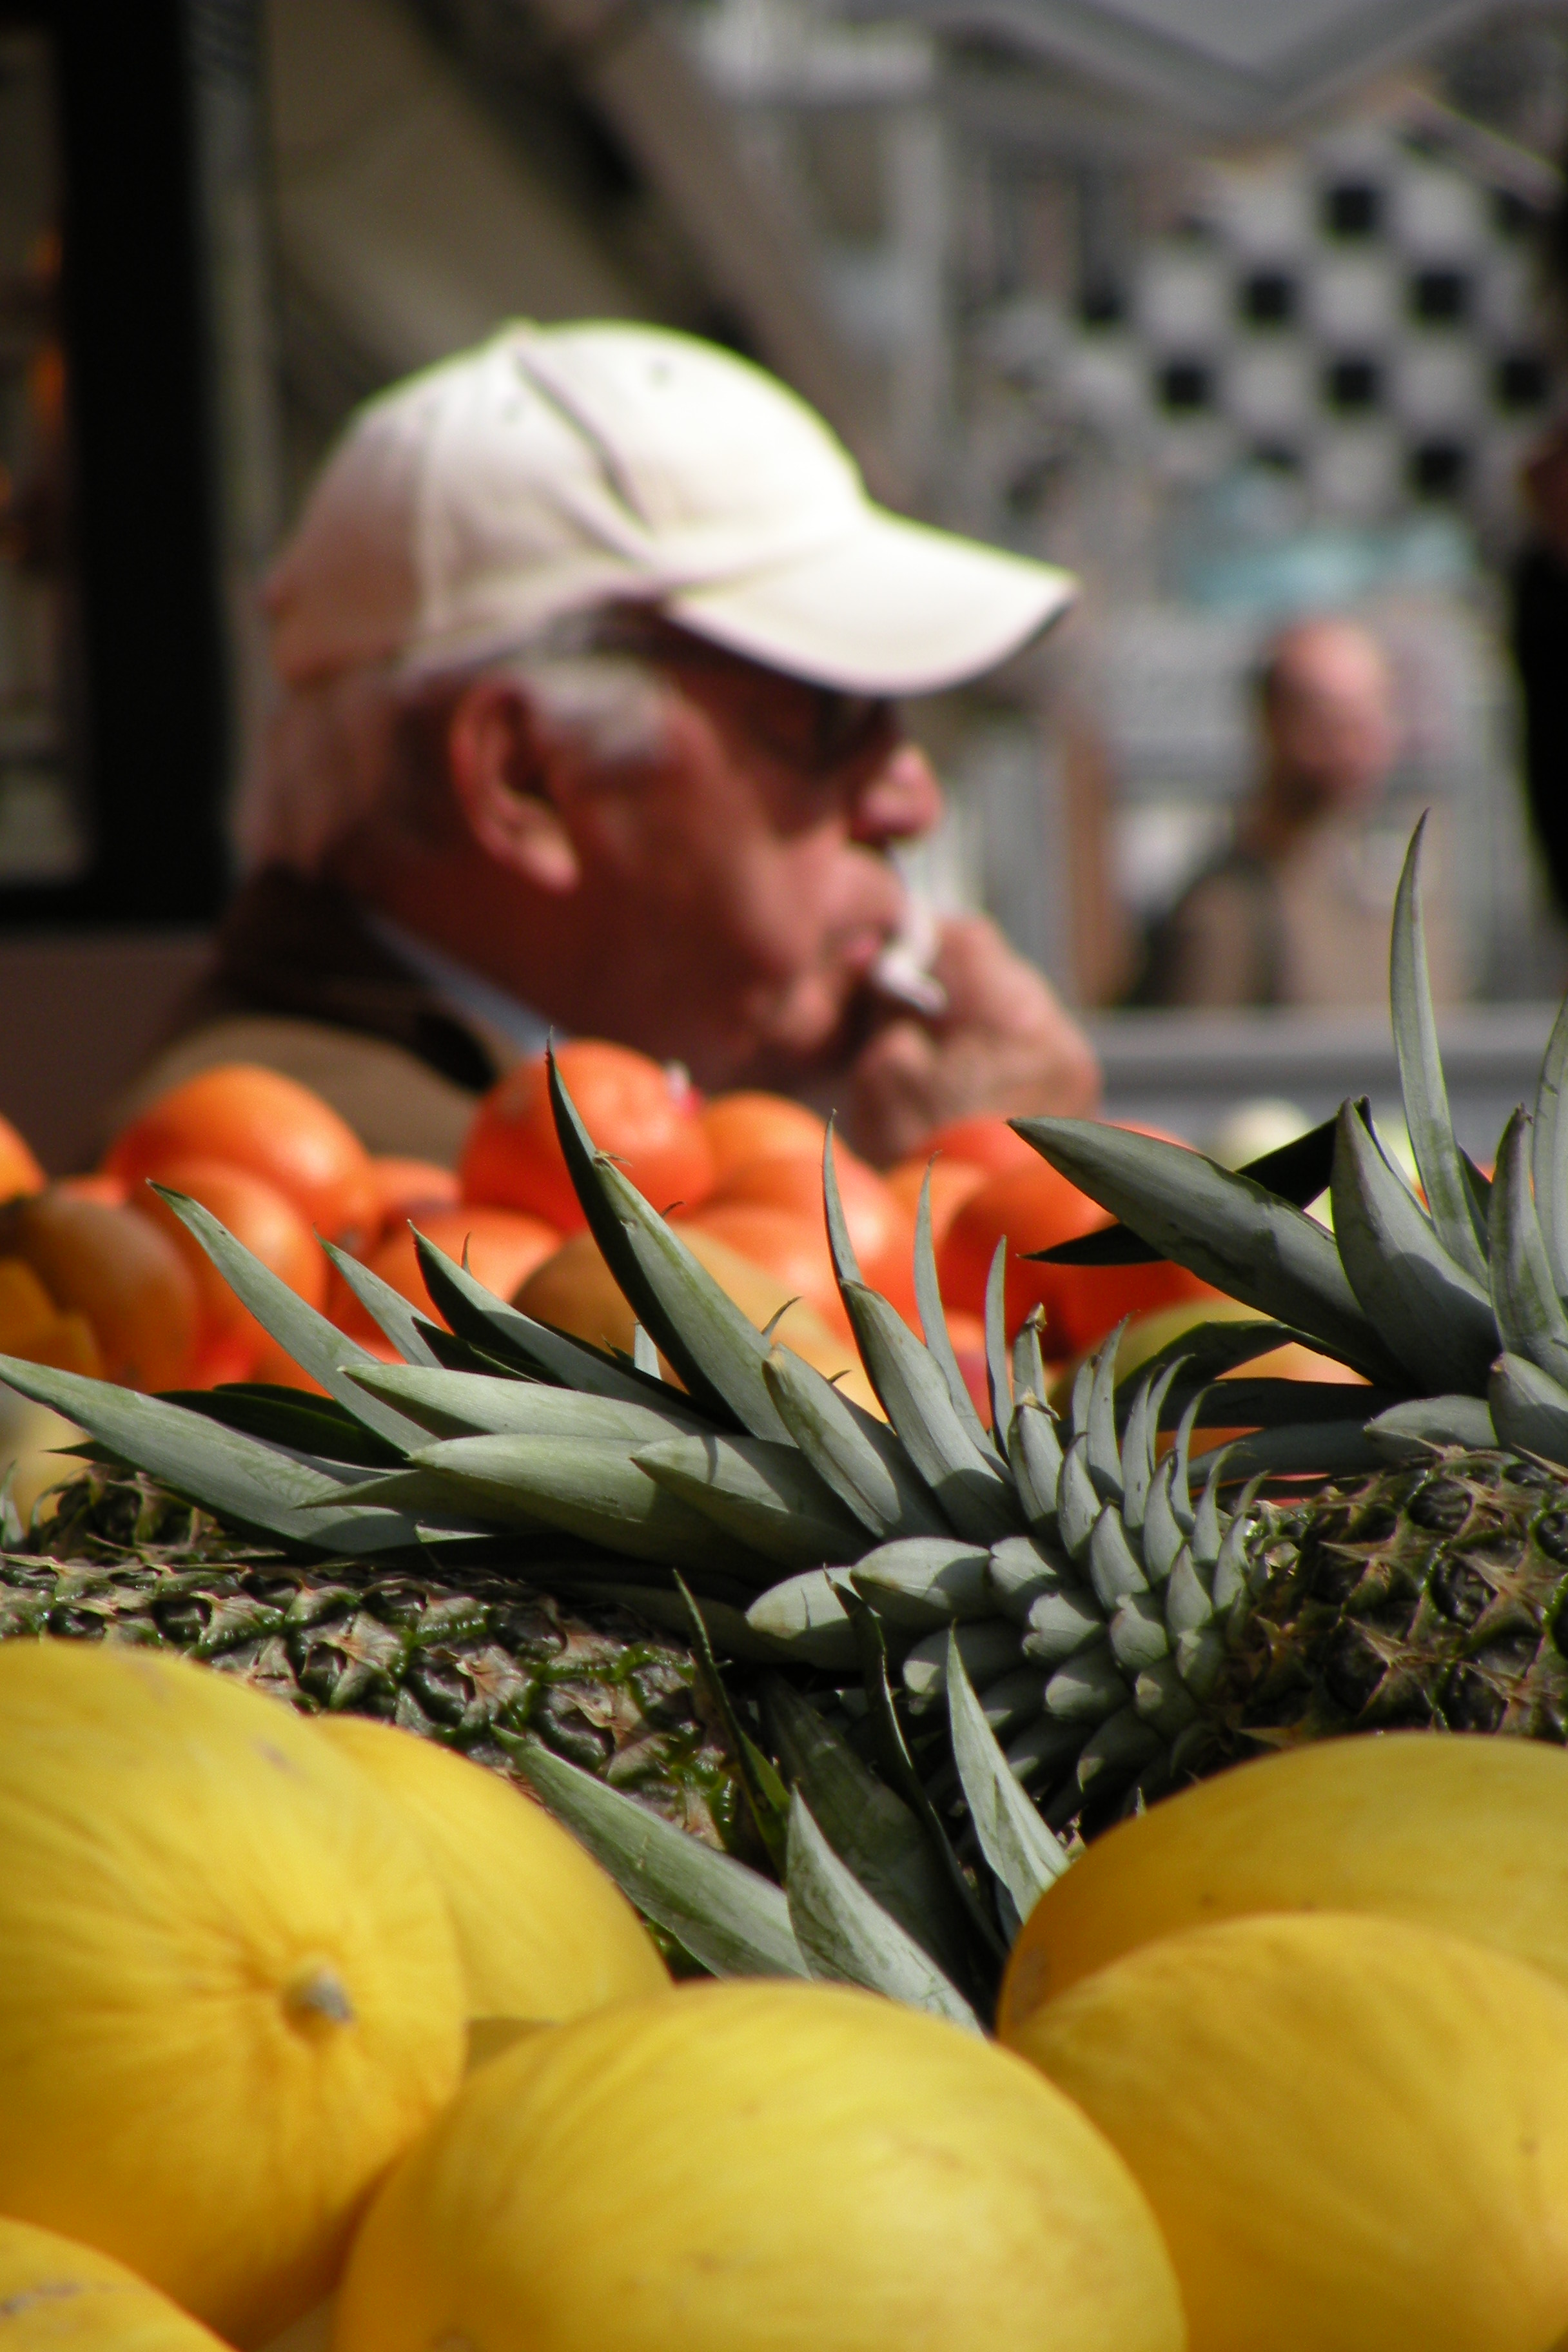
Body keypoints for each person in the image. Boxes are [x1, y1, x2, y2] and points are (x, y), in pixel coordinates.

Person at [136, 322, 1099, 1166]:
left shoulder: (392, 1128)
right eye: (824, 714)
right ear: (525, 778)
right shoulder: (346, 1193)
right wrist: (975, 1207)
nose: (909, 798)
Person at [1138, 614, 1451, 1008]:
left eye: (1372, 718)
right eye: (1331, 721)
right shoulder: (1226, 912)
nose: (1357, 745)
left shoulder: (1391, 889)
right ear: (1273, 724)